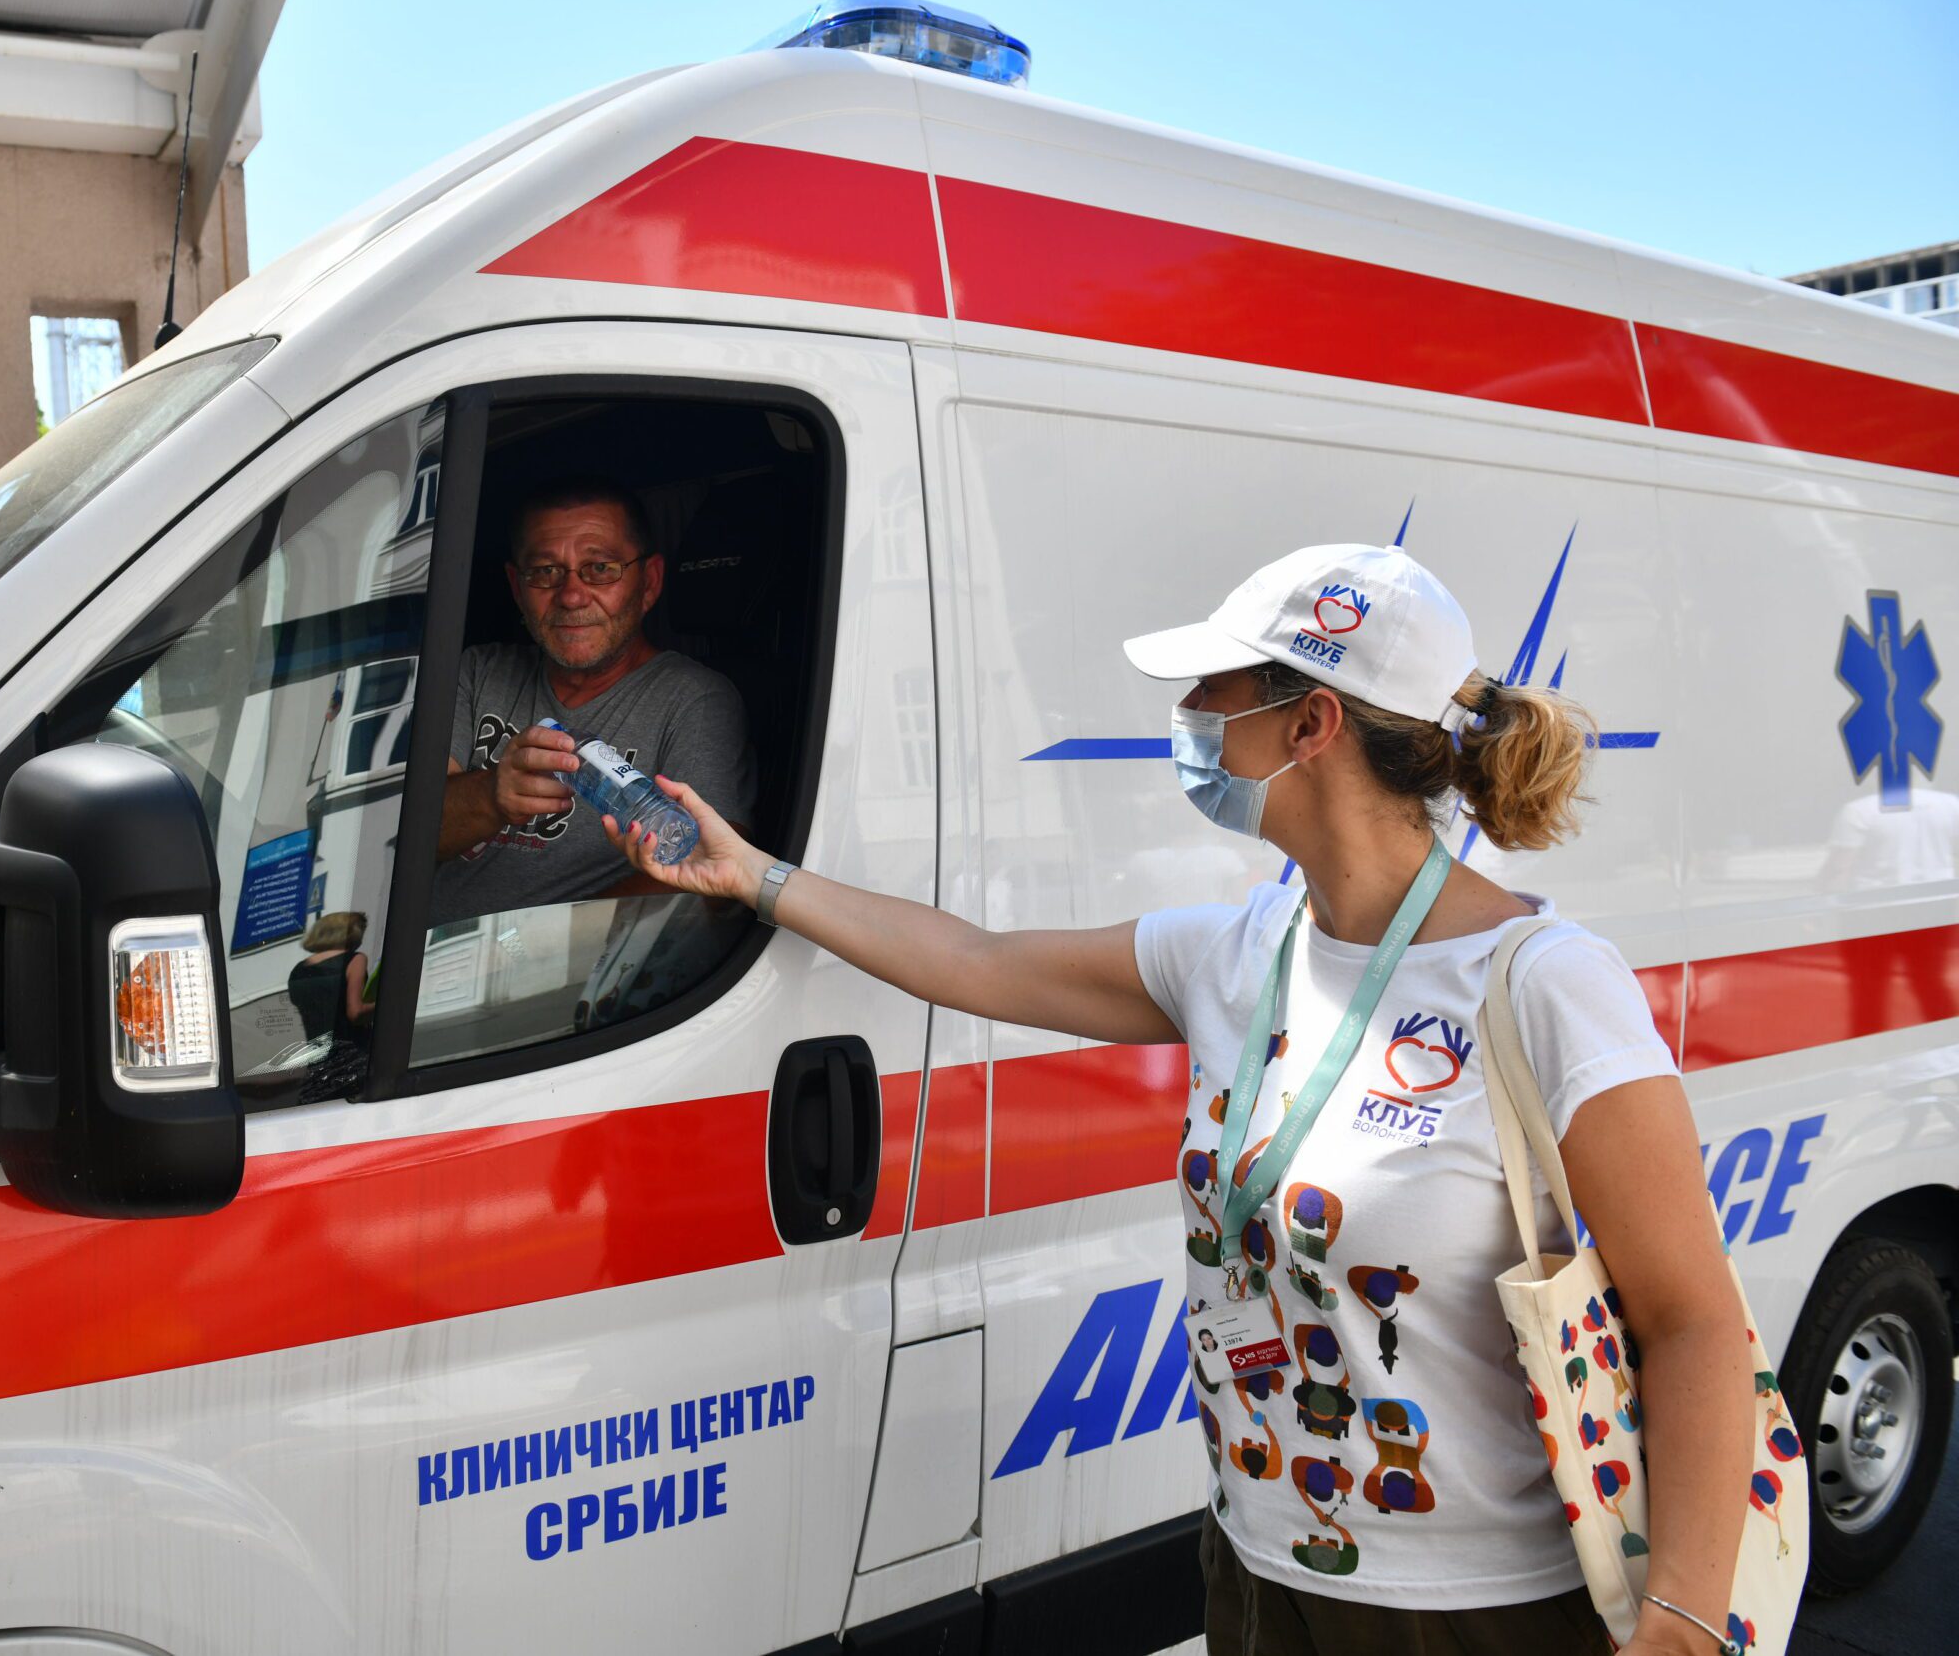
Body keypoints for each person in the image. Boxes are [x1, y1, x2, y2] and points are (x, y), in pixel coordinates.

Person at [605, 543, 1753, 1656]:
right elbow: (976, 962)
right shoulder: (1239, 950)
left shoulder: (1544, 984)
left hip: (1480, 1611)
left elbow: (1692, 1319)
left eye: (1215, 688)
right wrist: (751, 875)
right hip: (1258, 1570)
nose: (1189, 714)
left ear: (1310, 725)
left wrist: (1682, 1623)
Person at [431, 475, 755, 925]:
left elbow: (713, 880)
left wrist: (532, 947)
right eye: (545, 571)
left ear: (649, 582)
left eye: (600, 568)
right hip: (418, 951)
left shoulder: (694, 700)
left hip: (570, 963)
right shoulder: (478, 670)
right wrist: (491, 795)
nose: (571, 595)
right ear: (516, 587)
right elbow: (403, 834)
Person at [286, 912, 374, 1088]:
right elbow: (355, 1013)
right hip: (352, 1058)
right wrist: (387, 1004)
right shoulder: (355, 959)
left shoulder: (298, 970)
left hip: (318, 1063)